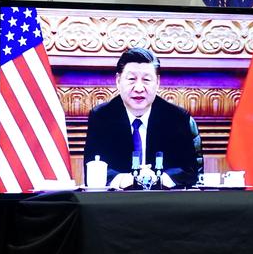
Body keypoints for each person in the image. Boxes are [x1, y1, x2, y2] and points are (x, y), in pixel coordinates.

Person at [83, 47, 200, 189]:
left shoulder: (176, 118)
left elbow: (189, 170)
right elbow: (94, 167)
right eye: (131, 79)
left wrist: (159, 179)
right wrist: (124, 179)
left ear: (157, 82)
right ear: (118, 80)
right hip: (117, 203)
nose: (139, 88)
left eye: (146, 80)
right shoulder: (102, 117)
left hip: (165, 202)